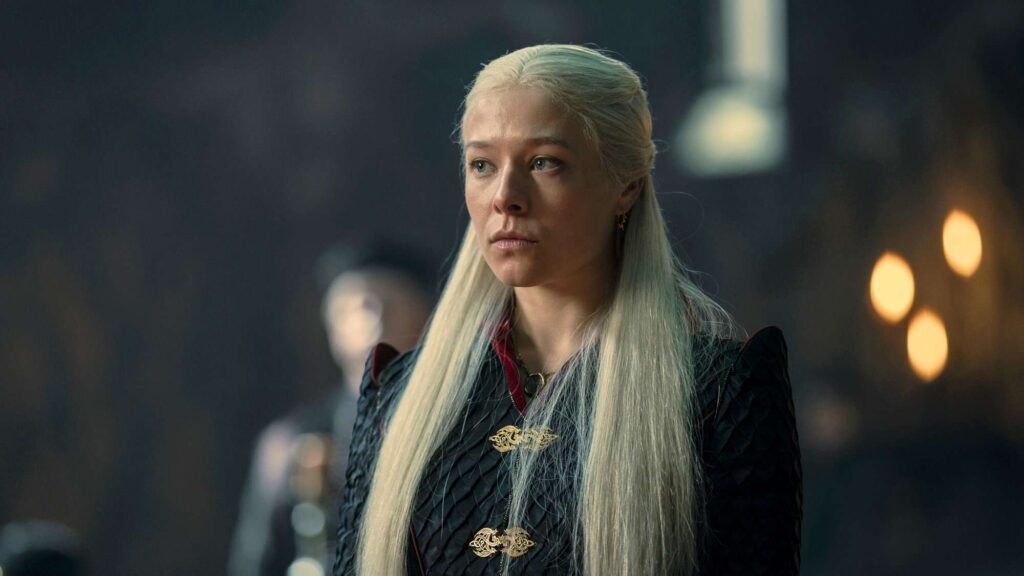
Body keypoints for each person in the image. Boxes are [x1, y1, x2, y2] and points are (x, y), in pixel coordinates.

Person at [334, 44, 801, 575]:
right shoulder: (396, 399)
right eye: (482, 164)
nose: (505, 197)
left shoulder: (718, 392)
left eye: (544, 162)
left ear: (627, 185)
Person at [229, 242, 433, 576]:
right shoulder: (293, 440)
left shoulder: (463, 425)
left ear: (429, 317)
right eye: (356, 307)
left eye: (390, 305)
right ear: (332, 327)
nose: (373, 321)